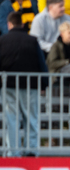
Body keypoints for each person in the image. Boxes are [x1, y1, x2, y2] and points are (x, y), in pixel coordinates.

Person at [0, 11, 47, 157]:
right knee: (31, 118)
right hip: (30, 86)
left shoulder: (3, 40)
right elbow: (42, 64)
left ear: (9, 24)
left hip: (9, 86)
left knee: (12, 120)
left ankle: (13, 152)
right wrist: (43, 84)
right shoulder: (32, 41)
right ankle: (32, 150)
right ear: (22, 24)